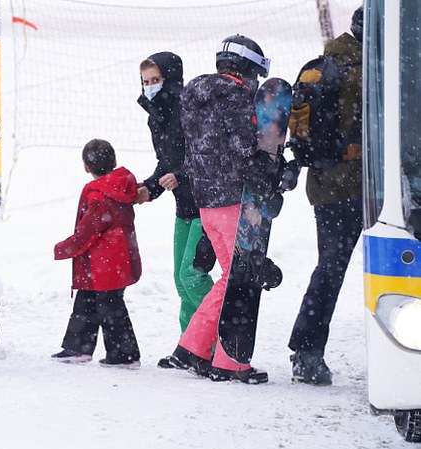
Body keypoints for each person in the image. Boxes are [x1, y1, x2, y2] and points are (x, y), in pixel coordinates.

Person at [159, 34, 275, 383]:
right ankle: (209, 355)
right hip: (234, 198)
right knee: (235, 278)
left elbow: (196, 148)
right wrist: (267, 180)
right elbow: (243, 149)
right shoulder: (236, 97)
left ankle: (209, 354)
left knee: (231, 277)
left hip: (204, 198)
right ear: (247, 67)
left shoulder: (194, 95)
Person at [287, 6, 363, 386]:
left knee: (329, 269)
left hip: (326, 186)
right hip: (367, 188)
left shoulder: (326, 65)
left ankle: (306, 351)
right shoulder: (367, 72)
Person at [135, 52, 214, 345]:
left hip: (206, 204)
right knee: (182, 281)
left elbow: (205, 157)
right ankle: (192, 345)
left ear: (170, 79)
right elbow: (166, 164)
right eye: (145, 82)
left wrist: (181, 175)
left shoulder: (187, 112)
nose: (150, 87)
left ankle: (220, 340)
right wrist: (149, 188)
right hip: (183, 207)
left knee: (193, 275)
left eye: (156, 80)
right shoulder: (157, 118)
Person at [51, 139, 142, 367]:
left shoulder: (98, 195)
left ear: (86, 167)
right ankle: (77, 347)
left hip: (103, 265)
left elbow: (87, 233)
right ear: (114, 161)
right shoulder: (122, 186)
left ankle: (124, 355)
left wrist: (63, 248)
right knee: (88, 300)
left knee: (110, 307)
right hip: (118, 261)